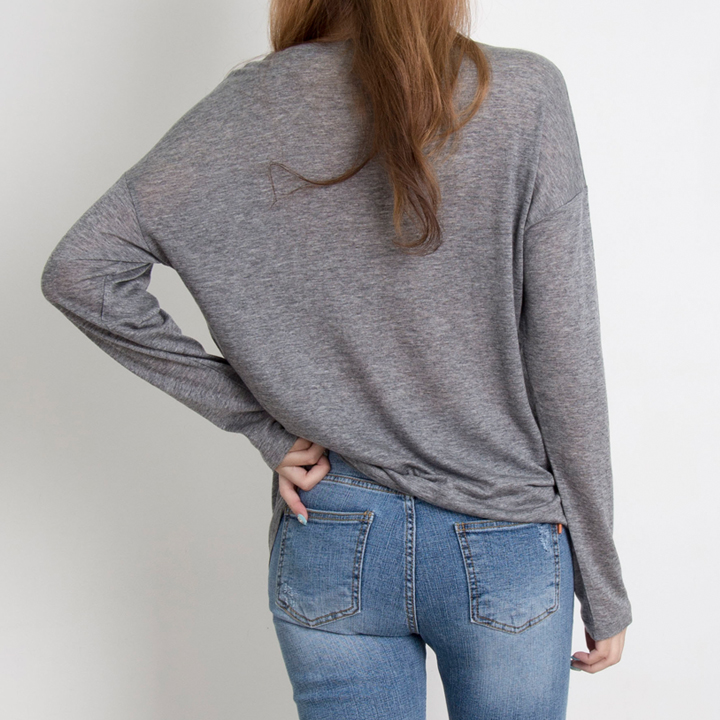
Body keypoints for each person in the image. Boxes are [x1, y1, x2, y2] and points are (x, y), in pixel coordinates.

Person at [40, 0, 631, 717]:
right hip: (503, 537)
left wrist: (261, 425)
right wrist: (602, 582)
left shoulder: (244, 106)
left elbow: (81, 270)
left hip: (331, 525)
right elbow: (567, 358)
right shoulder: (521, 94)